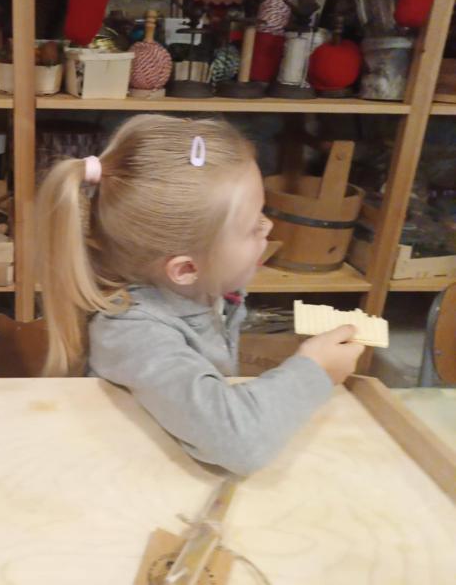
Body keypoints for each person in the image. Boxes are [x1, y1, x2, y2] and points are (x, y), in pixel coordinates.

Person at [37, 114, 364, 475]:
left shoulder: (201, 290)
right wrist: (314, 371)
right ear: (185, 269)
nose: (268, 226)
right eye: (252, 226)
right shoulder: (134, 334)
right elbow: (238, 443)